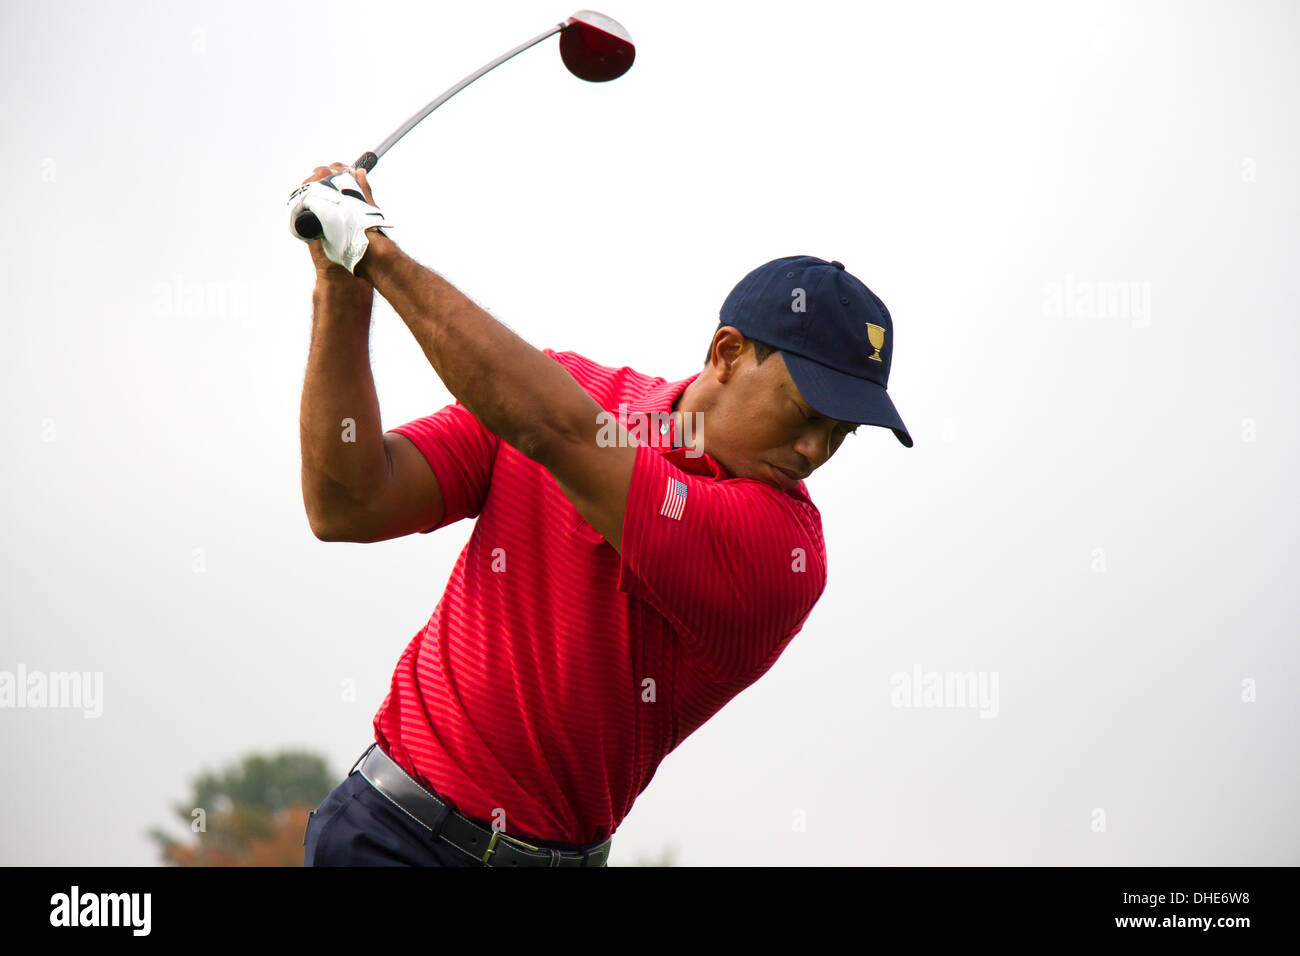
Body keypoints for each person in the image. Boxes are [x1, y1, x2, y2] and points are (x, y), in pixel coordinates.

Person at [289, 162, 913, 867]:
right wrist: (340, 290)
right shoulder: (569, 391)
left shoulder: (782, 552)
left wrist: (373, 250)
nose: (813, 450)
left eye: (840, 433)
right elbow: (347, 502)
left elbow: (561, 435)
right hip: (390, 839)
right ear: (729, 352)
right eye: (806, 414)